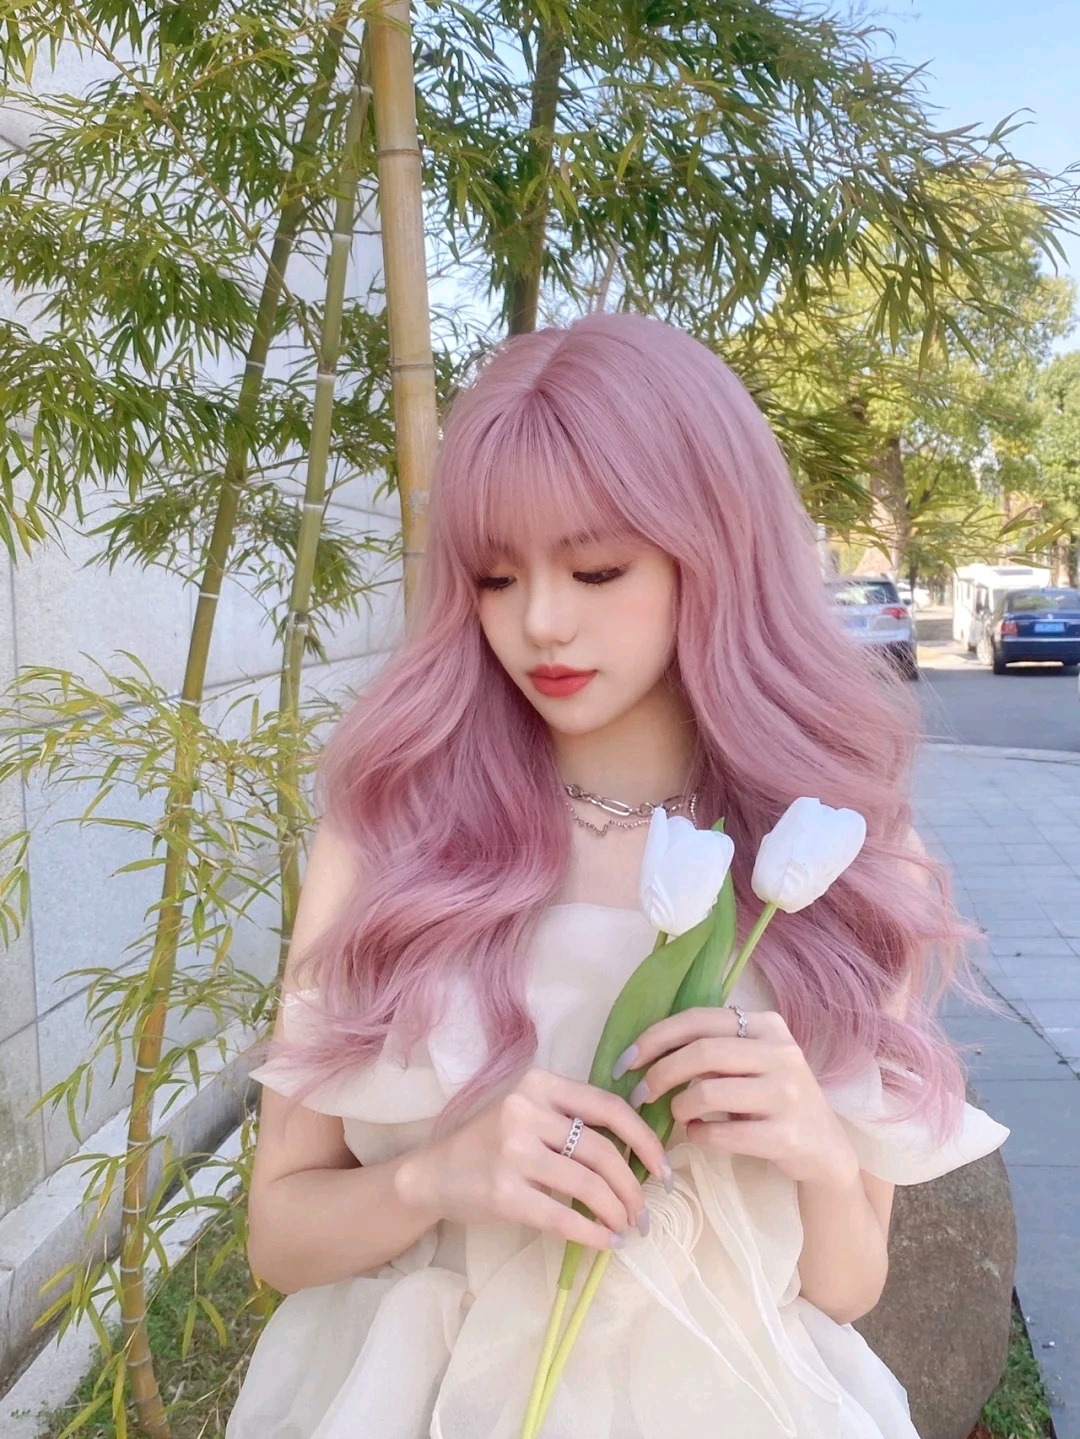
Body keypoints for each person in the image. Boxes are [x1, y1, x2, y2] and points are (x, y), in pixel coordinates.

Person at [226, 313, 1009, 1439]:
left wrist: (817, 1150)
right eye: (496, 576)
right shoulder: (395, 834)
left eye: (598, 568)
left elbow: (846, 1288)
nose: (541, 621)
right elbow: (281, 1237)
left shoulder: (831, 854)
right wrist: (435, 1177)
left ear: (717, 551)